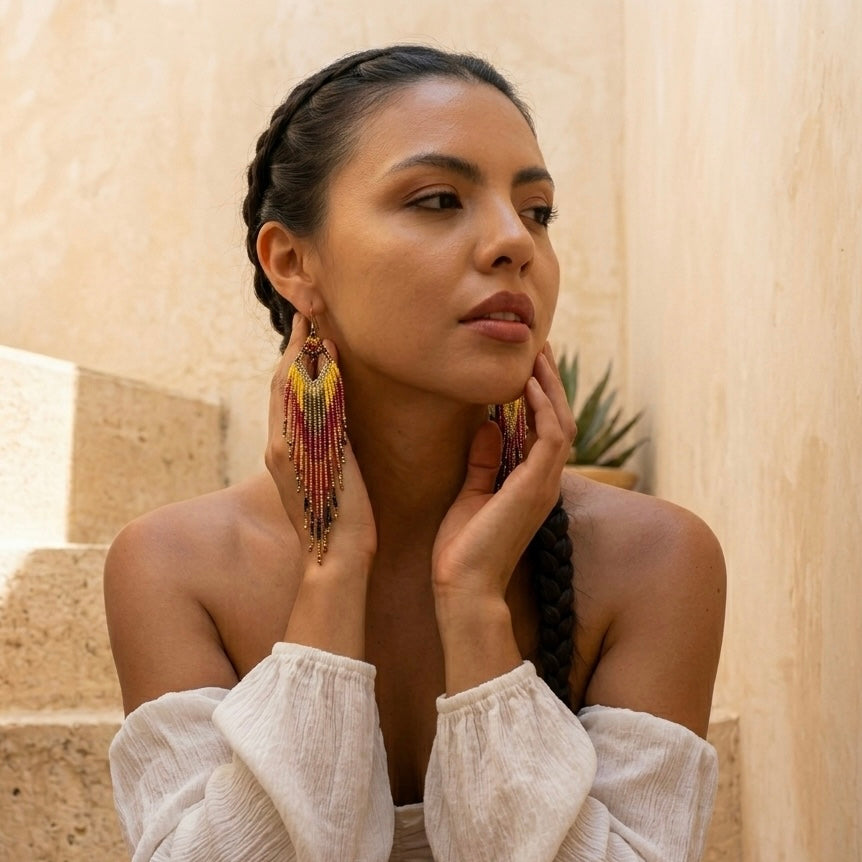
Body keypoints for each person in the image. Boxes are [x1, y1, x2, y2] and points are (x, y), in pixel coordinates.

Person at [104, 45, 725, 861]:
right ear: (292, 262)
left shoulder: (656, 560)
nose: (515, 243)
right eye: (438, 199)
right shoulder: (173, 568)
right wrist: (332, 570)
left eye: (536, 211)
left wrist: (473, 606)